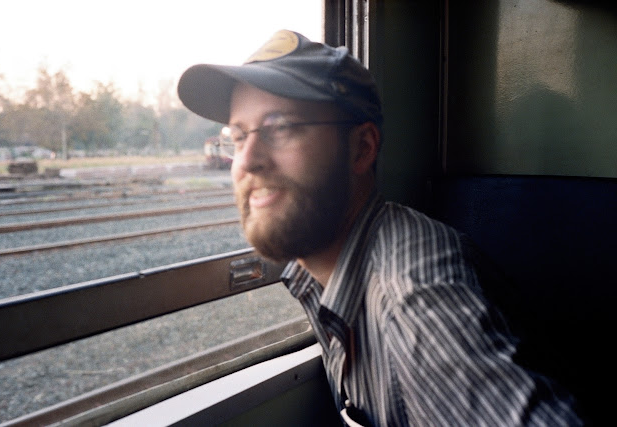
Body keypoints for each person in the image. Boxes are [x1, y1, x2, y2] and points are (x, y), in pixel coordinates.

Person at [177, 30, 580, 426]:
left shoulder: (415, 298)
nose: (247, 161)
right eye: (238, 136)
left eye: (280, 127)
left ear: (363, 148)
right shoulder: (322, 269)